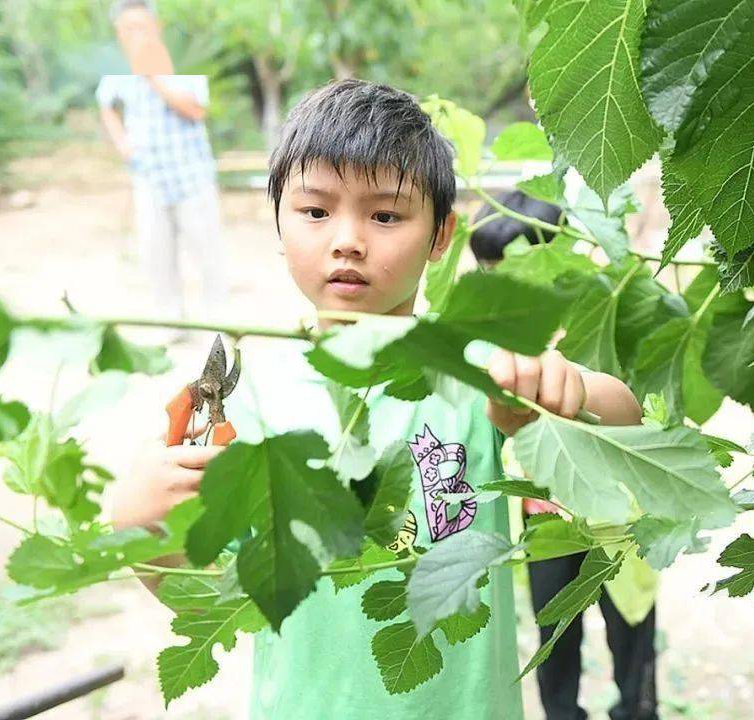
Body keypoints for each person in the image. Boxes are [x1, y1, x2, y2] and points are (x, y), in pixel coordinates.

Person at [109, 79, 642, 719]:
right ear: (278, 218)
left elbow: (627, 431)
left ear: (442, 236)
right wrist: (140, 531)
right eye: (316, 211)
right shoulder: (245, 405)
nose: (348, 240)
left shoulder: (476, 373)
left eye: (386, 215)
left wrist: (568, 391)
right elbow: (212, 601)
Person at [471, 191, 660, 720]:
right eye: (487, 272)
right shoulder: (492, 337)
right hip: (546, 519)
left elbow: (636, 412)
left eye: (511, 269)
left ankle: (636, 710)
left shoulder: (600, 315)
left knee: (632, 641)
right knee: (554, 637)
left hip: (618, 520)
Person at [97, 0, 227, 328]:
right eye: (128, 29)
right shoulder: (119, 77)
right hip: (149, 181)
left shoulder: (181, 66)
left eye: (142, 26)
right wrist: (122, 142)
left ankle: (218, 324)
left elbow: (195, 110)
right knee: (157, 257)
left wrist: (152, 76)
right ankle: (172, 325)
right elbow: (105, 105)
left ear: (156, 28)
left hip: (192, 179)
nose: (135, 35)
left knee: (208, 255)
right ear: (119, 34)